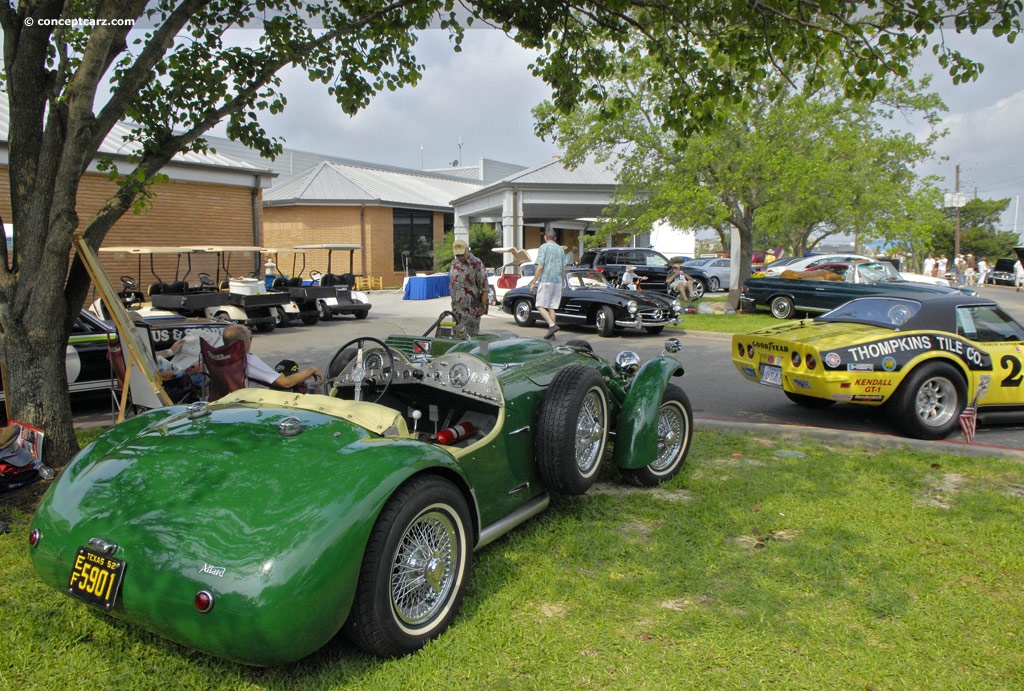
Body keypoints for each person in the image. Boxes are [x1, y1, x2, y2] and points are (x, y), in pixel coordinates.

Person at [221, 324, 323, 390]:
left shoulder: (219, 358)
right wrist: (310, 370)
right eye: (250, 338)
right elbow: (286, 383)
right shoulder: (247, 361)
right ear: (245, 342)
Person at [530, 228, 568, 339]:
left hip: (546, 280)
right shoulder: (560, 249)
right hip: (557, 281)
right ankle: (552, 334)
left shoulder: (543, 248)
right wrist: (562, 282)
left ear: (545, 238)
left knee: (539, 305)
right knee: (552, 307)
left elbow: (540, 266)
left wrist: (533, 282)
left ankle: (552, 325)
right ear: (555, 238)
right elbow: (564, 267)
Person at [448, 238, 488, 337]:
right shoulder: (454, 263)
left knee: (468, 340)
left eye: (462, 254)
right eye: (457, 255)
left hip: (471, 311)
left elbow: (484, 287)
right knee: (456, 340)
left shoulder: (476, 264)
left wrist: (483, 306)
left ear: (467, 250)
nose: (460, 257)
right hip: (457, 310)